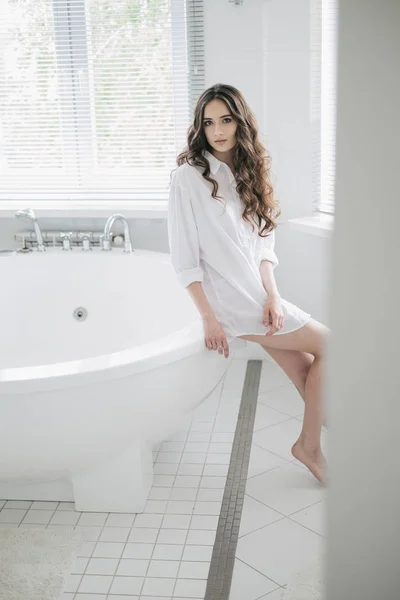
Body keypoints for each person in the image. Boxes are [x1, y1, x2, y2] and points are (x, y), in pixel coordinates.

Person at [167, 83, 330, 484]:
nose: (217, 130)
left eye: (225, 120)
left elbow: (262, 245)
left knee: (308, 372)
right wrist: (209, 318)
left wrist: (274, 295)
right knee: (331, 346)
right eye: (208, 123)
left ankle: (336, 446)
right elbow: (185, 258)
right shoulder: (187, 178)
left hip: (257, 296)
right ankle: (309, 446)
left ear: (240, 123)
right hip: (232, 302)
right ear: (199, 129)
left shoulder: (247, 172)